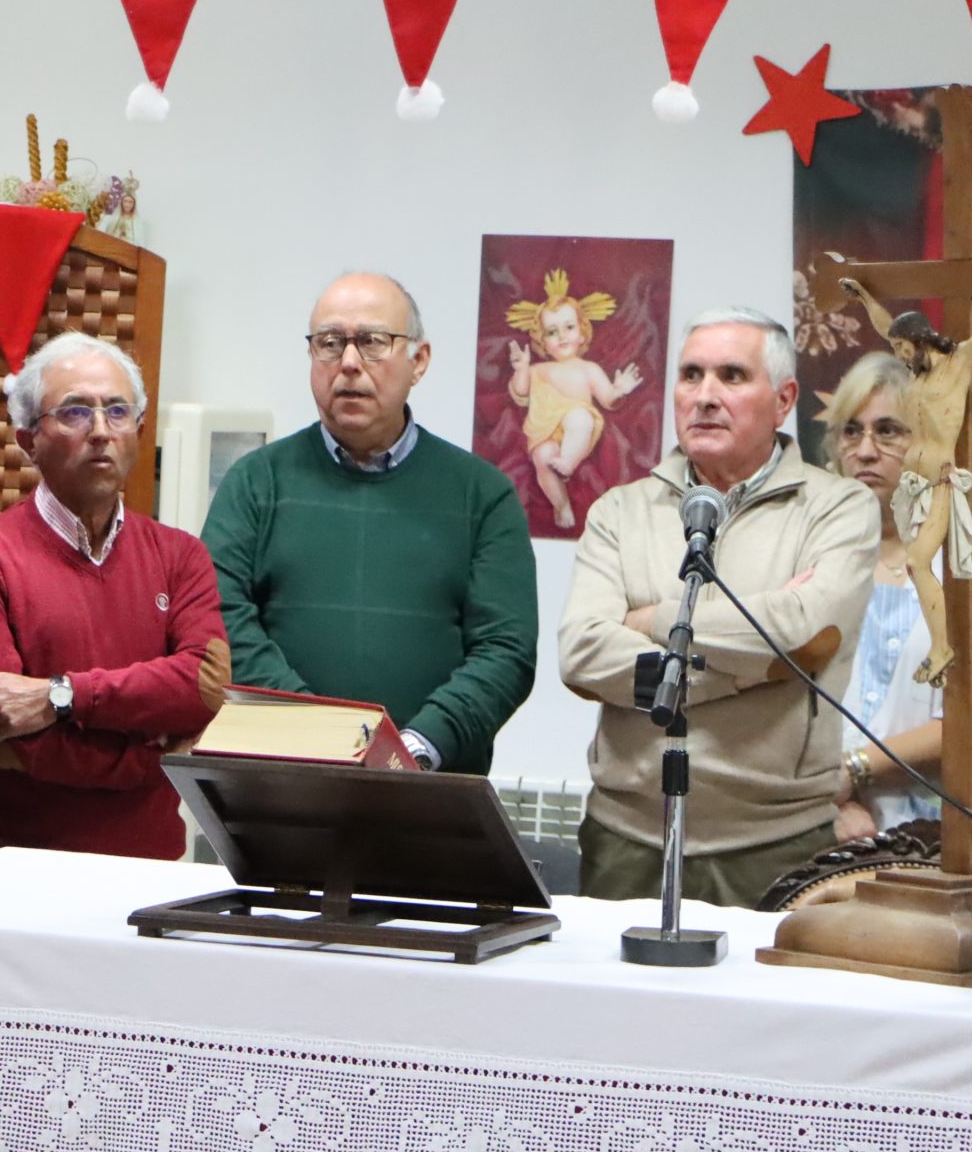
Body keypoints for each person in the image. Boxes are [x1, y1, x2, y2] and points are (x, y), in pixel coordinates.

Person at [561, 308, 880, 905]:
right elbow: (581, 653)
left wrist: (648, 623)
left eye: (732, 376)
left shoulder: (839, 508)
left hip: (776, 841)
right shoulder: (620, 511)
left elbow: (806, 632)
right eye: (691, 375)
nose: (705, 396)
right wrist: (753, 669)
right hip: (627, 839)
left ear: (783, 400)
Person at [204, 273, 535, 774]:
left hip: (430, 794)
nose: (349, 363)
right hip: (278, 782)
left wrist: (415, 748)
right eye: (330, 344)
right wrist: (314, 734)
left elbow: (506, 649)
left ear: (418, 361)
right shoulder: (256, 481)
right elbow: (219, 615)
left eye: (373, 342)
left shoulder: (483, 494)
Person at [0, 333, 229, 856]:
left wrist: (60, 696)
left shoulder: (181, 557)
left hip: (148, 872)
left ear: (140, 431)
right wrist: (154, 760)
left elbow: (200, 689)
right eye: (75, 412)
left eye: (117, 411)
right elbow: (5, 739)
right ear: (28, 439)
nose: (100, 430)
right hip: (8, 871)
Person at [835, 262, 972, 687]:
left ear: (922, 340)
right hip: (913, 487)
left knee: (919, 561)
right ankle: (937, 645)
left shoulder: (958, 362)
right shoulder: (915, 371)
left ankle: (942, 648)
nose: (901, 356)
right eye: (898, 350)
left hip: (939, 482)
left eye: (905, 348)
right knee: (909, 562)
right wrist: (864, 298)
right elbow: (886, 325)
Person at [823, 353, 943, 839]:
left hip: (936, 836)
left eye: (888, 431)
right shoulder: (813, 559)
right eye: (852, 431)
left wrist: (852, 771)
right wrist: (829, 805)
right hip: (819, 824)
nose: (865, 451)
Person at [503, 268, 643, 530]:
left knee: (579, 417)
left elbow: (607, 399)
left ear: (582, 332)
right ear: (542, 341)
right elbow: (520, 394)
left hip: (578, 430)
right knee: (542, 457)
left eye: (569, 327)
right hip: (545, 432)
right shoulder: (539, 370)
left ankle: (568, 462)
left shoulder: (588, 369)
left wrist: (619, 389)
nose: (562, 336)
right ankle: (561, 503)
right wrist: (521, 369)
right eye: (552, 332)